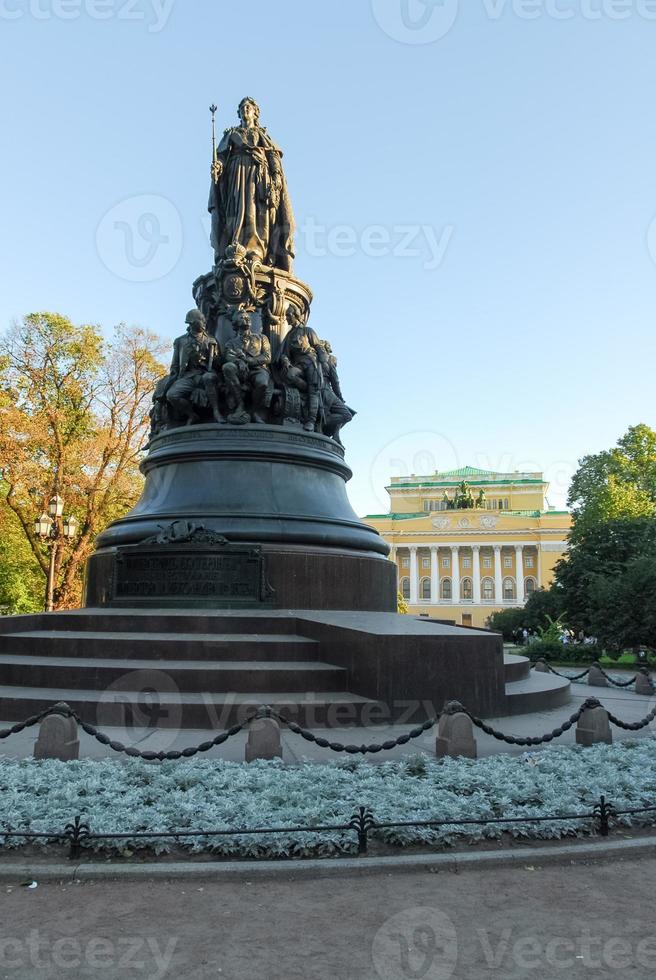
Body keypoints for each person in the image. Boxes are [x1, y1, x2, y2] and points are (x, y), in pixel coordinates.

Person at [208, 98, 295, 271]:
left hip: (258, 177)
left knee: (256, 212)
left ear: (256, 112)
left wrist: (276, 175)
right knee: (235, 211)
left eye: (248, 107)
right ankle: (235, 246)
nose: (245, 109)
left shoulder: (261, 135)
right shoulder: (232, 134)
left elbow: (273, 156)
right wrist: (218, 166)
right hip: (236, 175)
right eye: (242, 107)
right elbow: (222, 157)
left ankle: (256, 250)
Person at [166, 310, 223, 425]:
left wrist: (213, 357)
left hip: (204, 373)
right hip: (188, 376)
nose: (204, 322)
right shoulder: (180, 341)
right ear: (192, 322)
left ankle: (216, 412)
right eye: (201, 320)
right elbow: (175, 364)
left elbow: (218, 364)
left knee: (209, 378)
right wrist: (173, 380)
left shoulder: (211, 340)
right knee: (171, 395)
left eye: (204, 320)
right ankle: (191, 415)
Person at [221, 311, 273, 424]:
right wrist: (239, 361)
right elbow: (228, 357)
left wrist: (249, 361)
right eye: (242, 317)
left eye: (247, 317)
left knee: (263, 382)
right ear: (235, 323)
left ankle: (253, 411)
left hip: (258, 369)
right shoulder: (231, 343)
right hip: (240, 370)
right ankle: (240, 404)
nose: (247, 319)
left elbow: (267, 357)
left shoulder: (262, 338)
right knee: (227, 367)